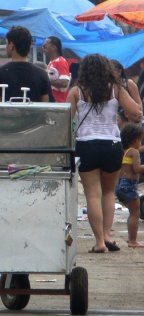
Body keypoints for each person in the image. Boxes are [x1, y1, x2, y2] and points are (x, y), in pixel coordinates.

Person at [68, 54, 141, 253]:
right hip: (111, 145)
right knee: (108, 193)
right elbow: (136, 113)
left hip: (86, 145)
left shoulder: (76, 91)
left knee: (93, 194)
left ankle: (100, 242)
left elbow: (65, 119)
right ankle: (108, 234)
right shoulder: (116, 89)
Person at [0, 26, 51, 102]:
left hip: (6, 114)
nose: (6, 46)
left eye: (7, 43)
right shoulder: (42, 74)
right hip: (34, 114)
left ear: (11, 45)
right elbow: (45, 107)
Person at [115, 123, 144, 248]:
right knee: (135, 214)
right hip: (129, 186)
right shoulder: (134, 152)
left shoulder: (125, 152)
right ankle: (133, 241)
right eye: (141, 139)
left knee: (132, 213)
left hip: (121, 185)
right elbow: (137, 169)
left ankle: (131, 239)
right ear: (135, 139)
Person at [43, 36, 71, 102]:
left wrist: (45, 82)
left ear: (54, 47)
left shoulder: (61, 61)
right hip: (53, 102)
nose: (44, 46)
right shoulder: (51, 62)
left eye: (46, 43)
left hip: (59, 103)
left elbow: (64, 83)